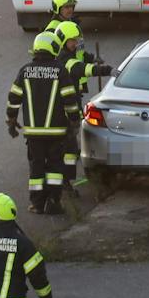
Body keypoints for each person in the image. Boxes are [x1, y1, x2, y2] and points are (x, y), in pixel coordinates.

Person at [6, 33, 81, 214]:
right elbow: (70, 99)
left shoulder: (25, 71)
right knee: (55, 167)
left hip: (33, 133)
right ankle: (54, 201)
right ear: (54, 48)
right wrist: (74, 121)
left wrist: (11, 120)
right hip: (56, 132)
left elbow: (14, 98)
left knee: (36, 167)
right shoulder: (60, 70)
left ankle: (37, 204)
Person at [52, 20, 112, 199]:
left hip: (70, 106)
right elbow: (80, 69)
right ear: (63, 41)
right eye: (72, 40)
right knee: (68, 148)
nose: (76, 43)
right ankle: (64, 182)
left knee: (69, 148)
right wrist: (105, 69)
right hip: (65, 110)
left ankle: (65, 180)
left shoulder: (70, 52)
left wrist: (92, 57)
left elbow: (81, 57)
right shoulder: (63, 58)